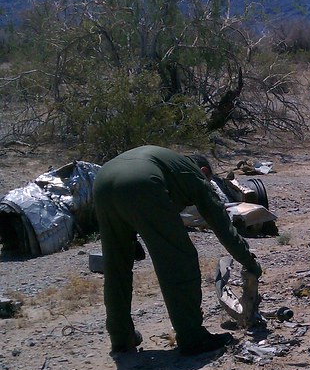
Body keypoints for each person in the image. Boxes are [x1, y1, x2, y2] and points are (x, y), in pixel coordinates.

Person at [93, 145, 262, 356]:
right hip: (143, 184)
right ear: (204, 172)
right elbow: (221, 224)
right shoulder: (194, 175)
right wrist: (249, 261)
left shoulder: (170, 164)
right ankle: (192, 337)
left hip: (101, 182)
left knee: (116, 266)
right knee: (179, 259)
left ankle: (120, 337)